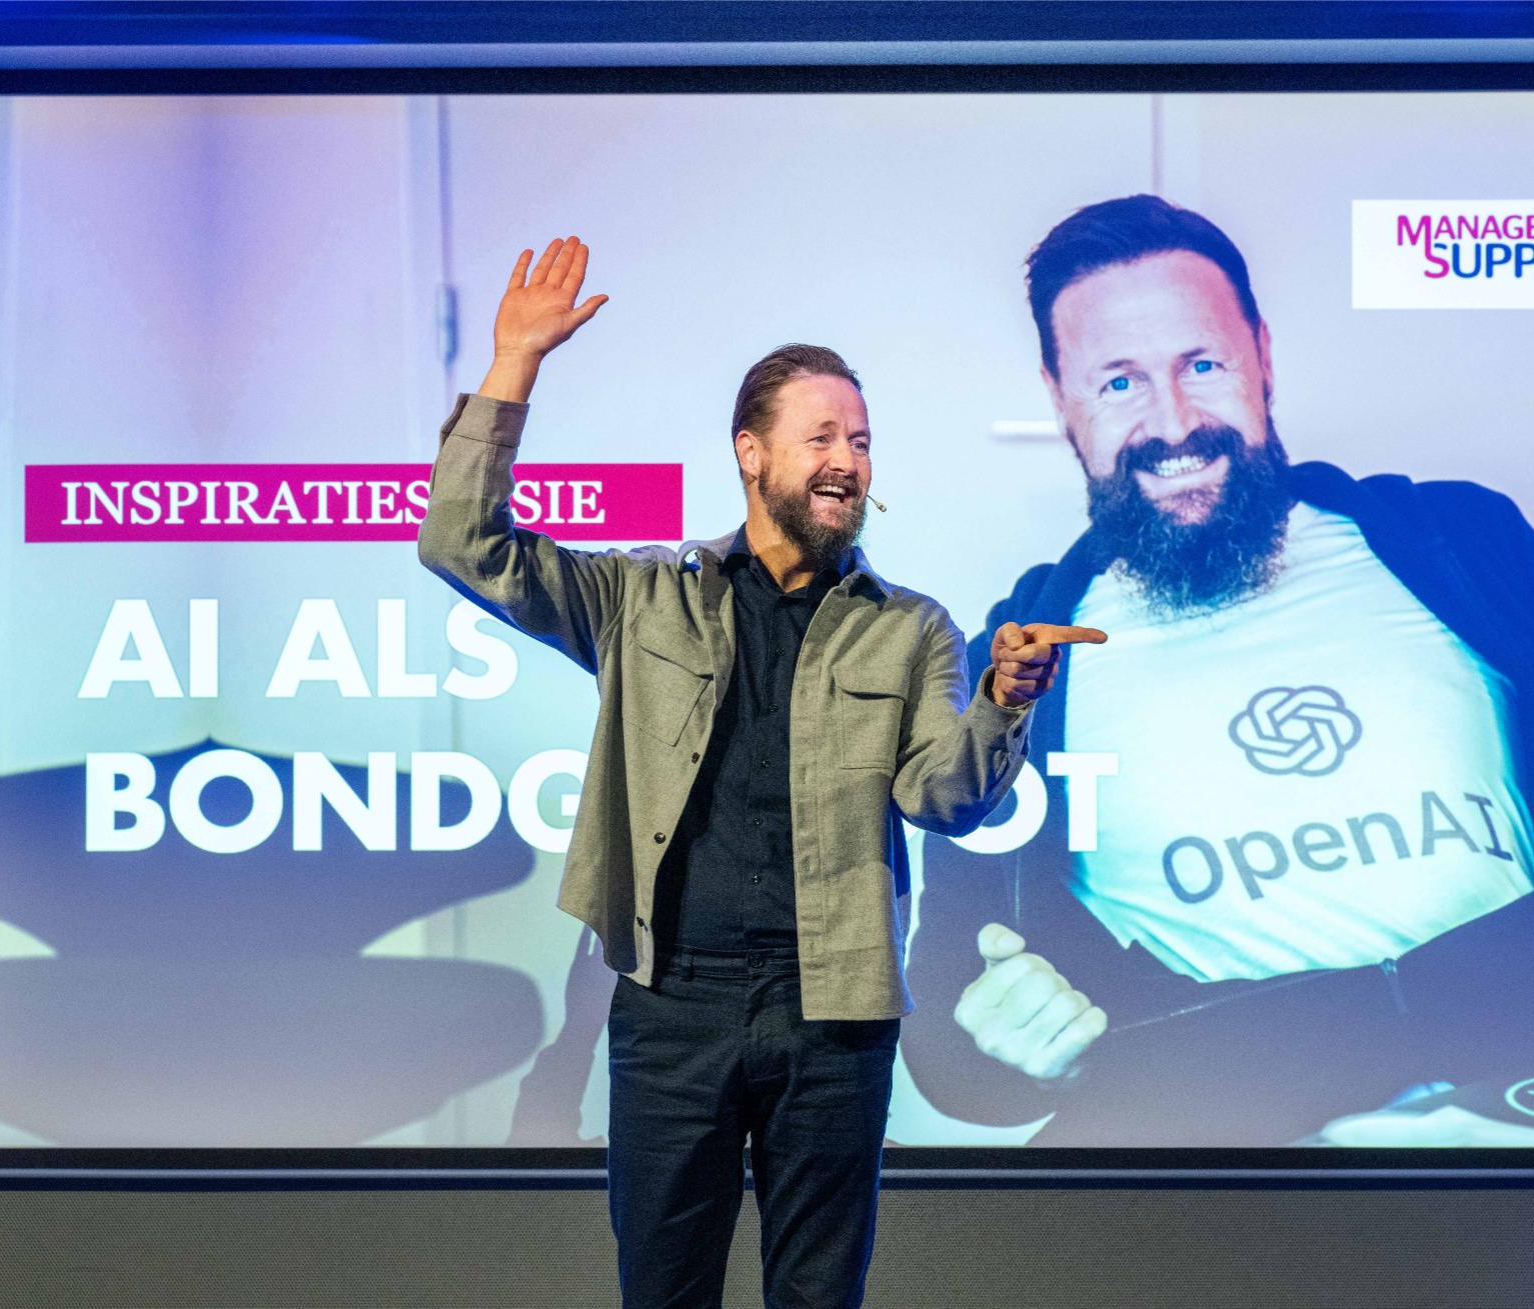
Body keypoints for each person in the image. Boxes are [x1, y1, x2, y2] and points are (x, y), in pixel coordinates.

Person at [900, 195, 1534, 1147]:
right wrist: (1010, 1044)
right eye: (1119, 382)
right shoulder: (1010, 673)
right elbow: (949, 1050)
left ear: (1262, 355)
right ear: (1061, 398)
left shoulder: (1461, 547)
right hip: (1238, 1187)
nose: (1173, 423)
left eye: (1202, 364)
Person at [415, 234, 1104, 1306]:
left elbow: (945, 801)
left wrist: (1005, 702)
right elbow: (464, 543)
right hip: (670, 1006)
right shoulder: (643, 598)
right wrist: (515, 366)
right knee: (665, 1292)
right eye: (821, 435)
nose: (848, 460)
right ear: (751, 452)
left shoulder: (912, 628)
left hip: (834, 1016)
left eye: (863, 441)